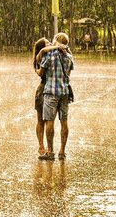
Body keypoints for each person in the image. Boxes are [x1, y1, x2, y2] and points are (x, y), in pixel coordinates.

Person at [37, 32, 74, 161]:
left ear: (56, 41)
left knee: (49, 121)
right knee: (64, 121)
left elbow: (41, 72)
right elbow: (68, 74)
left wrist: (38, 69)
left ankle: (50, 151)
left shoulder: (50, 55)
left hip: (51, 92)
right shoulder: (69, 57)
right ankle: (62, 151)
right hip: (64, 93)